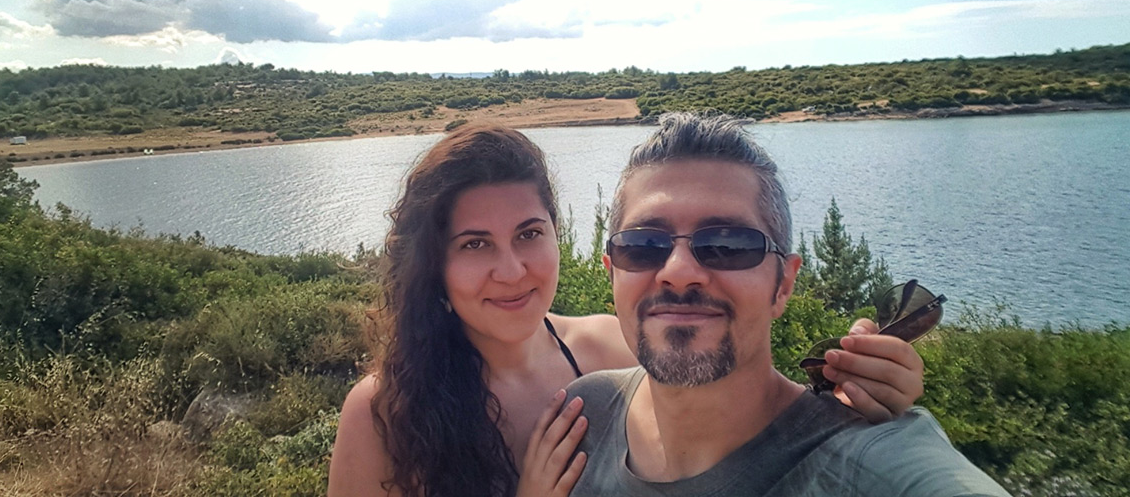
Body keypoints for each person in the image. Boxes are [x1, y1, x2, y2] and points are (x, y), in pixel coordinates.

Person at [328, 123, 928, 497]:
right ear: (433, 263)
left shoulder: (614, 355)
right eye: (474, 244)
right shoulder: (386, 411)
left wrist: (848, 391)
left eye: (529, 234)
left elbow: (742, 410)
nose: (511, 270)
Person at [564, 112, 1009, 496]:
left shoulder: (865, 461)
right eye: (643, 245)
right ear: (612, 273)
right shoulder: (581, 419)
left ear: (783, 284)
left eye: (729, 245)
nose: (678, 270)